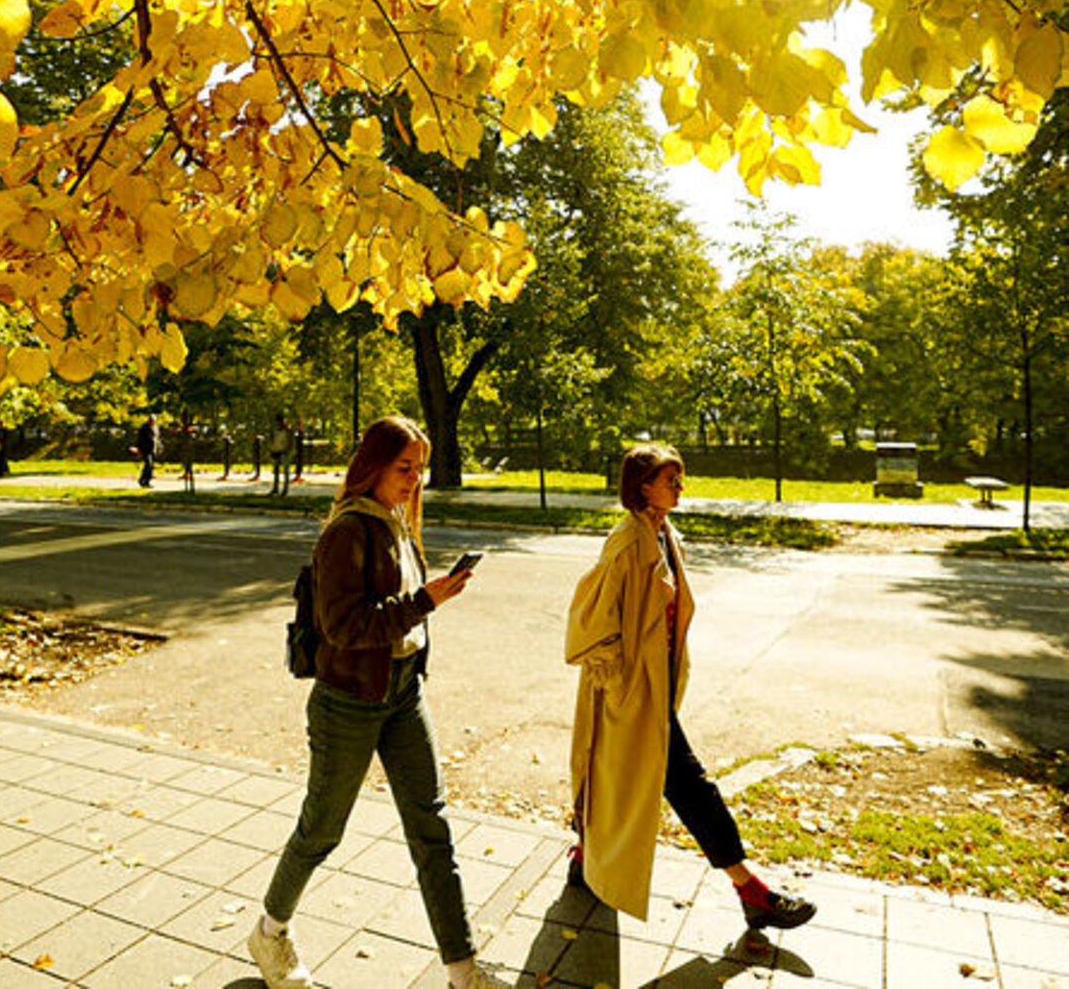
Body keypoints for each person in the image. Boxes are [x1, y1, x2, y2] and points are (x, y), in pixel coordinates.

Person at [248, 416, 513, 989]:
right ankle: (269, 934)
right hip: (348, 703)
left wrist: (426, 602)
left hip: (403, 694)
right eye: (404, 468)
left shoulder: (395, 520)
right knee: (321, 831)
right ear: (373, 466)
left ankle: (464, 973)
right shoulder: (348, 531)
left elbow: (397, 617)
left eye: (419, 469)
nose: (415, 480)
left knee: (431, 830)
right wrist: (425, 601)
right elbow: (342, 627)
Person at [564, 442, 816, 933]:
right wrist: (620, 684)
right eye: (670, 480)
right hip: (632, 694)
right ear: (642, 487)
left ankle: (585, 856)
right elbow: (588, 624)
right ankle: (751, 890)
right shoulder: (626, 543)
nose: (681, 487)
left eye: (681, 479)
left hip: (653, 688)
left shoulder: (663, 534)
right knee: (688, 784)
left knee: (624, 777)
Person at [269, 413, 291, 496]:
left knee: (285, 471)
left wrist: (287, 450)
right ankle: (275, 488)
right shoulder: (275, 431)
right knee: (276, 471)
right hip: (276, 451)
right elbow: (272, 440)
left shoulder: (287, 431)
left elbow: (290, 442)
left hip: (284, 452)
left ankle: (285, 489)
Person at [135, 415, 159, 488]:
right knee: (149, 464)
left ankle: (146, 481)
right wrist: (139, 449)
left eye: (154, 420)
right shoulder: (144, 427)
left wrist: (158, 447)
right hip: (145, 449)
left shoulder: (156, 427)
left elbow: (156, 438)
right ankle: (143, 480)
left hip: (152, 449)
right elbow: (140, 439)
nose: (152, 422)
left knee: (150, 466)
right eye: (151, 420)